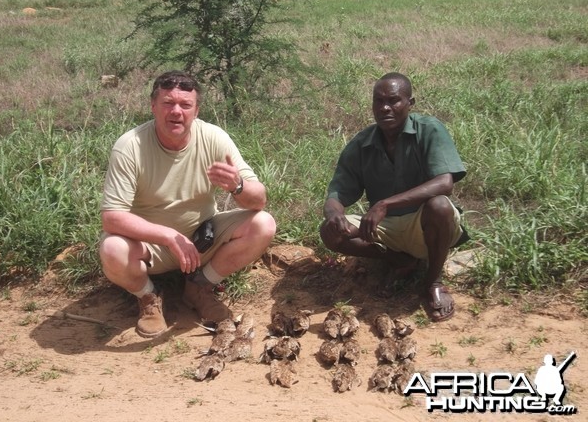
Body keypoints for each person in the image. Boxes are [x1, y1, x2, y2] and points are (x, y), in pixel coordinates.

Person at [99, 70, 276, 338]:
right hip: (151, 246)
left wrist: (236, 185)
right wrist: (168, 236)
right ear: (153, 106)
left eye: (185, 105)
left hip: (200, 240)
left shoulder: (214, 137)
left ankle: (199, 287)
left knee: (263, 224)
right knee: (112, 248)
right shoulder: (130, 146)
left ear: (196, 110)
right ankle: (148, 296)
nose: (176, 112)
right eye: (168, 103)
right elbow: (112, 218)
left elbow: (259, 199)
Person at [319, 72, 467, 322]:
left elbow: (445, 182)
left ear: (410, 103)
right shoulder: (362, 144)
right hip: (386, 228)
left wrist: (385, 204)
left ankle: (433, 283)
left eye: (394, 100)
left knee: (440, 205)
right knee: (329, 232)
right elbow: (336, 194)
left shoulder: (428, 129)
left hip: (425, 223)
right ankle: (398, 260)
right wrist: (335, 216)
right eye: (379, 101)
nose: (385, 107)